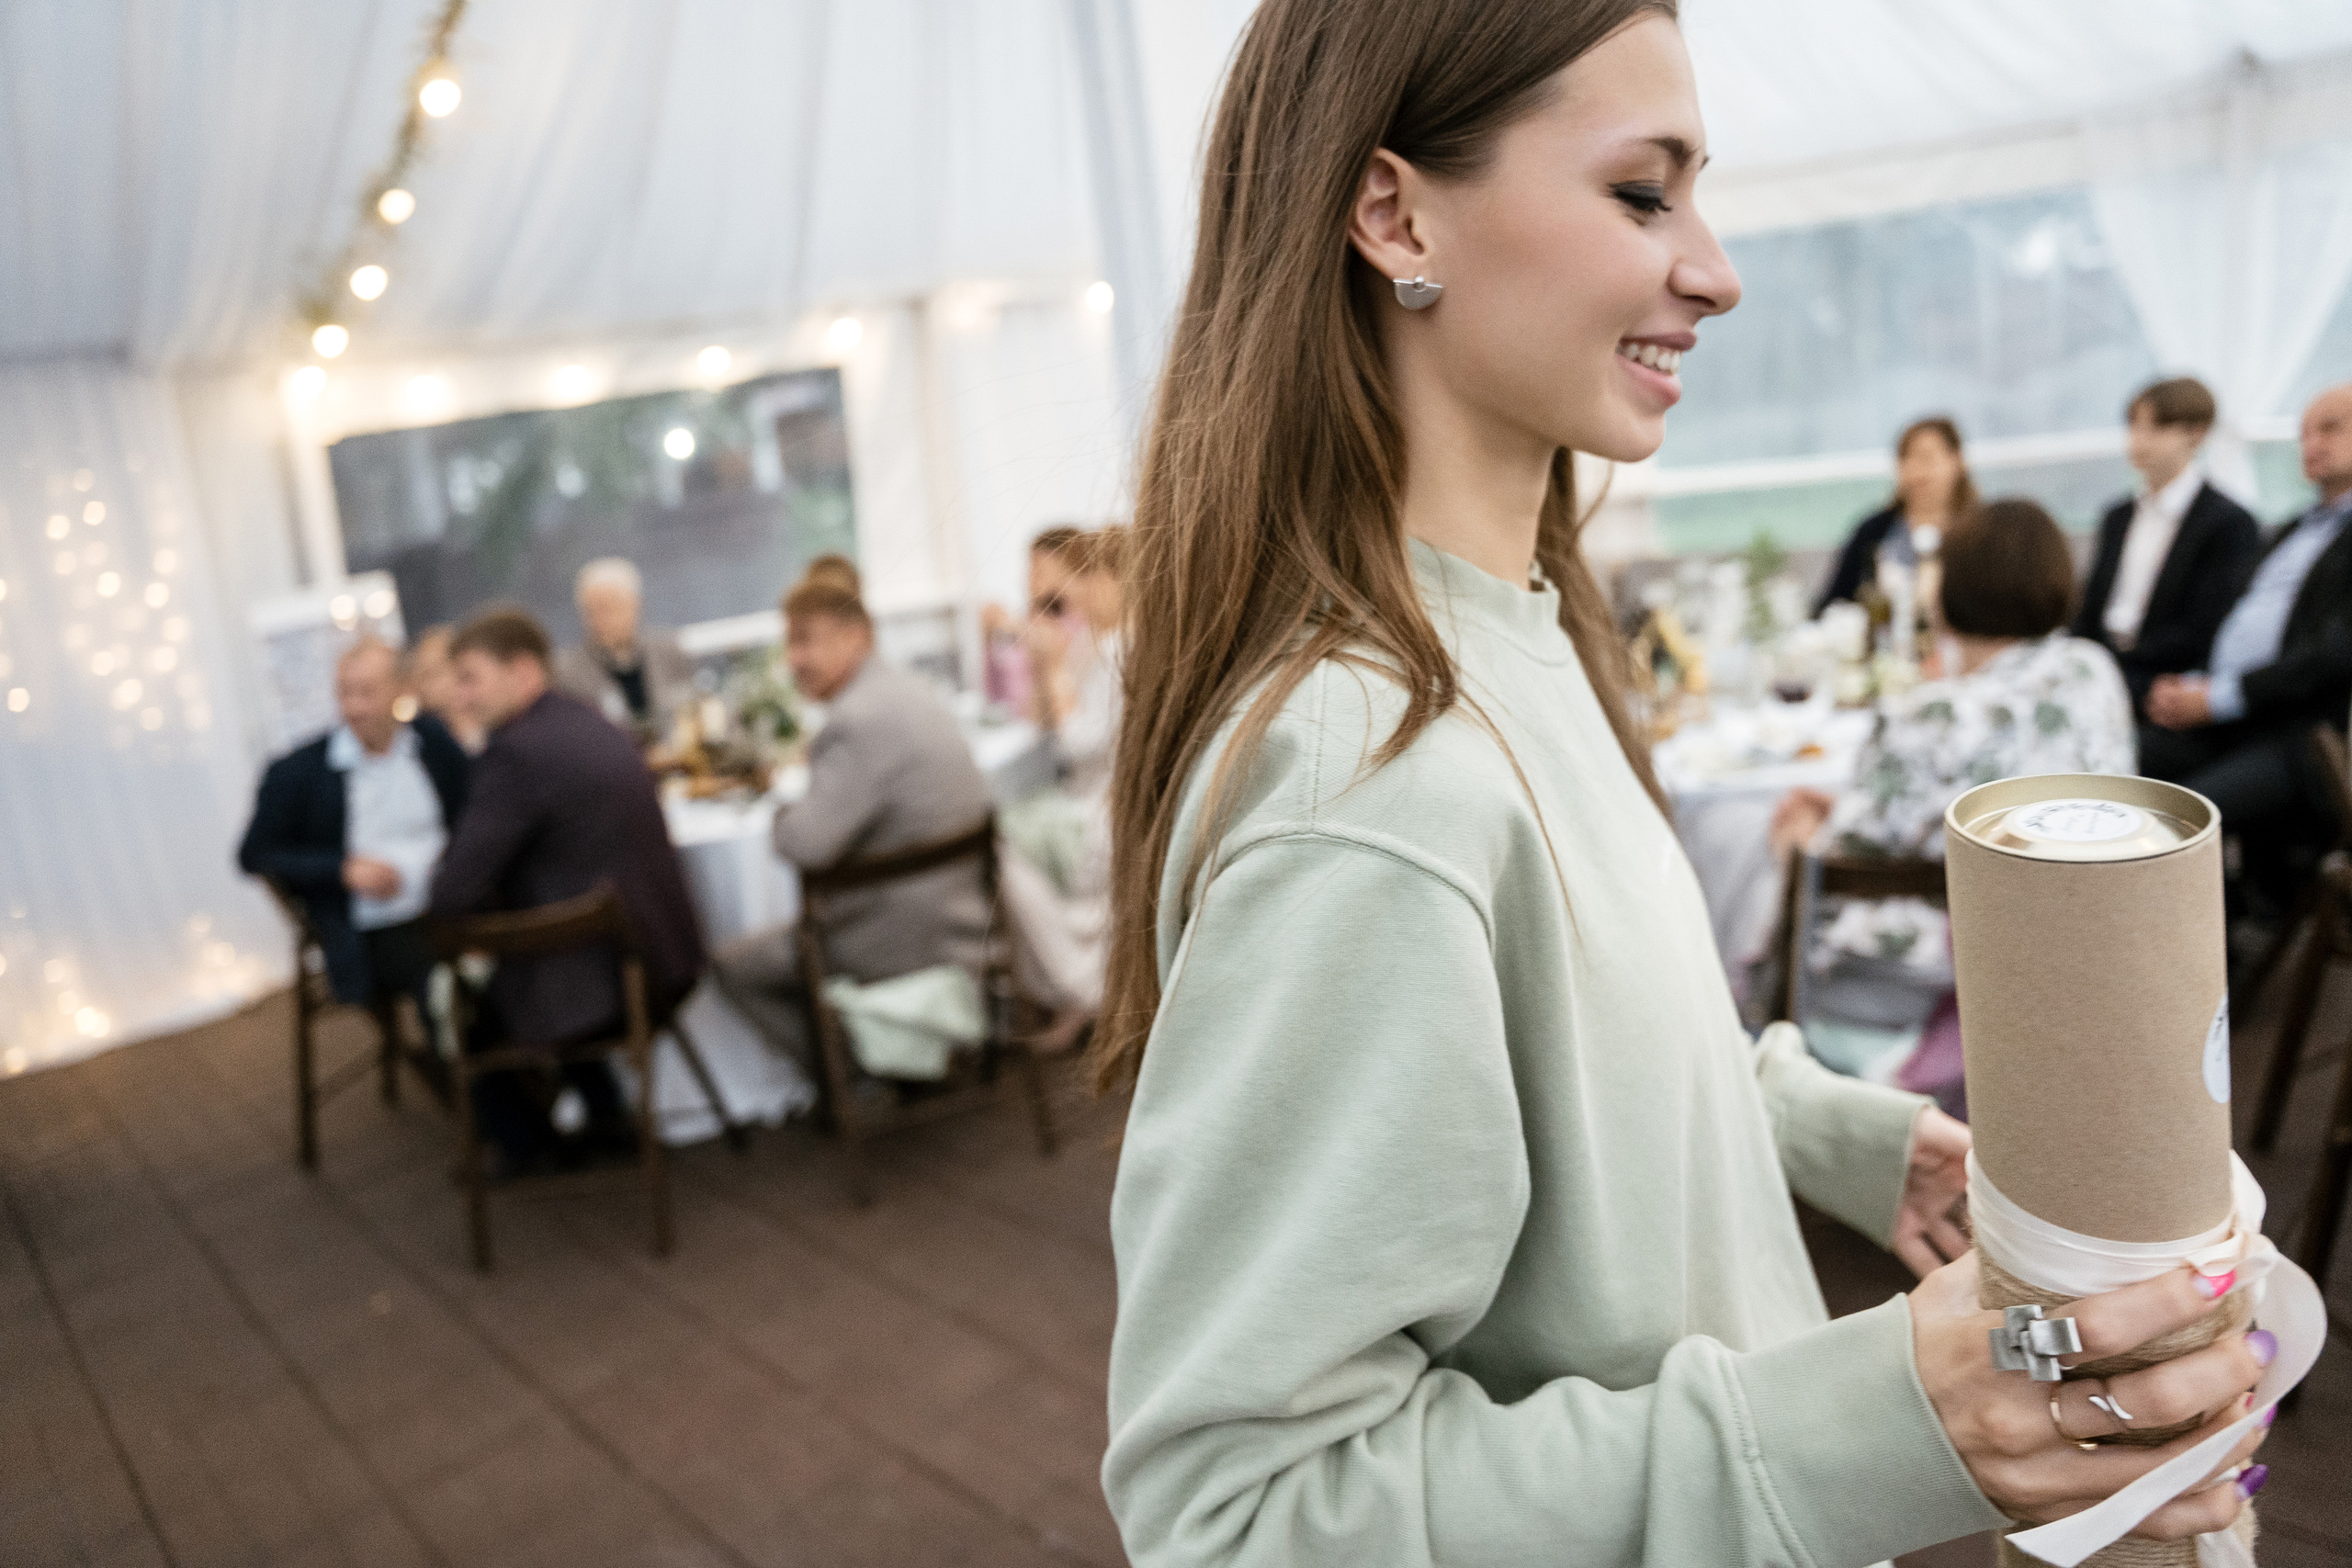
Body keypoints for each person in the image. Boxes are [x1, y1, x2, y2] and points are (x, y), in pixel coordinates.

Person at [1096, 5, 2268, 1563]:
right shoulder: (1365, 790)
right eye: (1644, 194)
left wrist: (1820, 1130)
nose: (1714, 268)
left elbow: (1556, 1039)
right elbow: (1239, 1516)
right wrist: (1883, 1418)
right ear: (1396, 213)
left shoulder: (1521, 638)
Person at [1770, 500, 2135, 1116]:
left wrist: (1803, 836)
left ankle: (1790, 1082)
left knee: (1780, 846)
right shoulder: (2093, 670)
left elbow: (1851, 852)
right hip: (2084, 952)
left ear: (1954, 587)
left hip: (1955, 974)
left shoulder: (1931, 711)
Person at [429, 607, 706, 1172]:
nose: (459, 698)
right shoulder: (593, 722)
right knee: (540, 947)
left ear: (525, 671)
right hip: (663, 959)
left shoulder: (514, 754)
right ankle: (605, 1117)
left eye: (470, 678)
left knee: (440, 992)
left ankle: (531, 1150)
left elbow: (451, 891)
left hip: (599, 989)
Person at [710, 574, 994, 1081]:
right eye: (789, 642)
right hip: (971, 911)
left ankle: (854, 1076)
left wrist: (778, 814)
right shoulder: (911, 690)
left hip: (901, 935)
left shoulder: (856, 721)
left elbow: (805, 845)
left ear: (857, 635)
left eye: (805, 640)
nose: (793, 659)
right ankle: (889, 1066)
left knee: (732, 964)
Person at [2143, 383, 2352, 903]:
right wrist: (2194, 686)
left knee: (2186, 821)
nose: (2311, 443)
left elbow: (2333, 655)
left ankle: (2205, 971)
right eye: (2303, 432)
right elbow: (2232, 627)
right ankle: (2230, 931)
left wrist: (2213, 698)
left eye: (2330, 427)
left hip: (2309, 737)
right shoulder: (2289, 532)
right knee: (2118, 760)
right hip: (2236, 716)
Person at [238, 638, 469, 1017]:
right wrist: (342, 869)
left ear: (401, 690)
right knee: (445, 979)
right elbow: (254, 854)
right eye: (345, 692)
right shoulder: (300, 772)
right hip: (373, 928)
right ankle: (468, 1065)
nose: (354, 707)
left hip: (450, 903)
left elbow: (472, 811)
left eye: (368, 692)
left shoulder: (432, 742)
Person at [2071, 378, 2261, 714]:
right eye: (2134, 426)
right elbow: (2090, 608)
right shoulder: (2117, 516)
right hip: (2101, 668)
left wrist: (2114, 667)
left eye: (2156, 427)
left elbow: (2206, 628)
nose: (2138, 440)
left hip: (2166, 681)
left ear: (2196, 433)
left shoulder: (2229, 522)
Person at [1814, 415, 1977, 614]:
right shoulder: (1873, 530)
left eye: (1926, 458)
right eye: (1906, 458)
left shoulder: (1981, 531)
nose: (1916, 470)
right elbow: (1832, 603)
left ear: (1957, 460)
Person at [552, 557, 696, 746]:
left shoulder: (669, 652)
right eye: (595, 609)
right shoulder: (568, 672)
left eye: (614, 605)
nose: (605, 618)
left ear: (636, 604)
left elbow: (691, 710)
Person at [404, 625, 486, 752]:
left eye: (437, 671)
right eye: (428, 675)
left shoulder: (493, 718)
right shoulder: (420, 741)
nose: (451, 679)